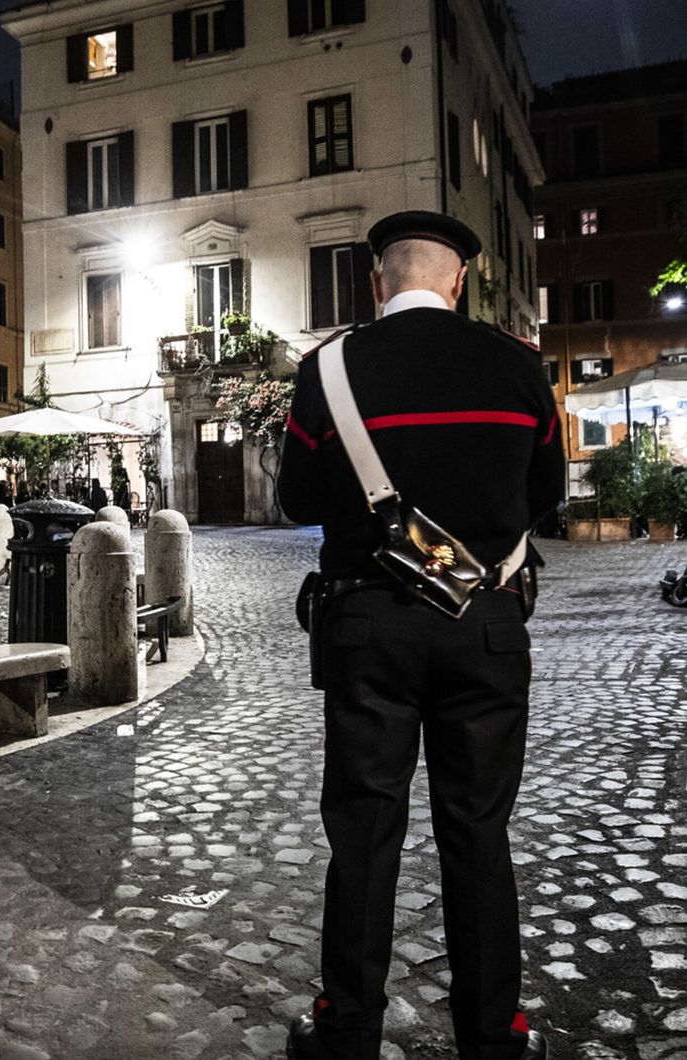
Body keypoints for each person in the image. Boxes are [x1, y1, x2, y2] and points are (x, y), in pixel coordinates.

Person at [277, 211, 562, 1060]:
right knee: (478, 830)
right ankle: (493, 1035)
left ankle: (349, 1031)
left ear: (375, 282)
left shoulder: (327, 370)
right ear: (459, 280)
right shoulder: (516, 367)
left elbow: (296, 498)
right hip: (486, 626)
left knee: (363, 831)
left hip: (368, 623)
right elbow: (544, 490)